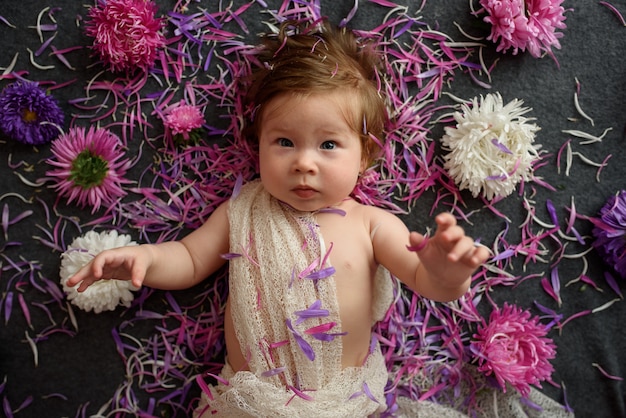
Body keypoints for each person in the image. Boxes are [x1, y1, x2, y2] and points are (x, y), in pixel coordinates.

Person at [66, 21, 490, 417]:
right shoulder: (242, 211)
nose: (304, 163)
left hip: (341, 404)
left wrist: (445, 274)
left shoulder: (372, 225)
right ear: (259, 145)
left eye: (328, 144)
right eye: (284, 141)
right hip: (250, 404)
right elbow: (190, 259)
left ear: (365, 155)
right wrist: (146, 259)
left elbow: (423, 280)